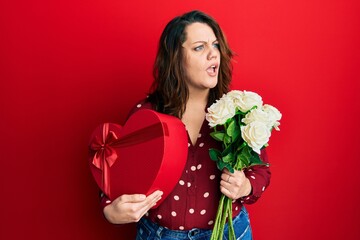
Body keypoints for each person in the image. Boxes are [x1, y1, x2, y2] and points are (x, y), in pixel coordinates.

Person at [99, 10, 271, 240]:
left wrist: (245, 187)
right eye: (199, 47)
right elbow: (117, 175)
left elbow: (261, 172)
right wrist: (111, 210)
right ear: (175, 58)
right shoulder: (147, 114)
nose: (213, 54)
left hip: (228, 233)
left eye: (216, 45)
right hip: (159, 235)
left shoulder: (238, 112)